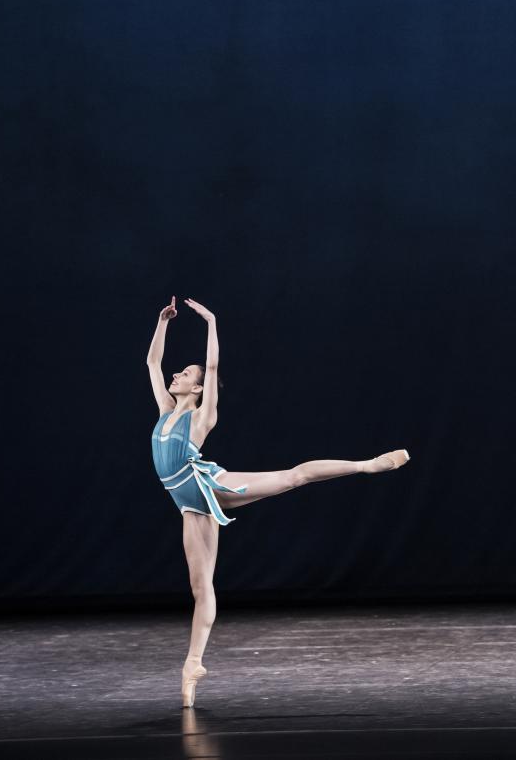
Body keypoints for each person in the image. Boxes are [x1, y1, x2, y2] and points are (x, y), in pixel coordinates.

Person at [146, 296, 410, 708]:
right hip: (190, 504)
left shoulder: (201, 417)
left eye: (185, 373)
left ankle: (367, 465)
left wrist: (212, 322)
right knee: (201, 587)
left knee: (293, 477)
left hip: (211, 485)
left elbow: (212, 368)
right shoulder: (165, 410)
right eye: (178, 372)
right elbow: (151, 363)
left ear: (197, 389)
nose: (176, 374)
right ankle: (192, 664)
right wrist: (163, 322)